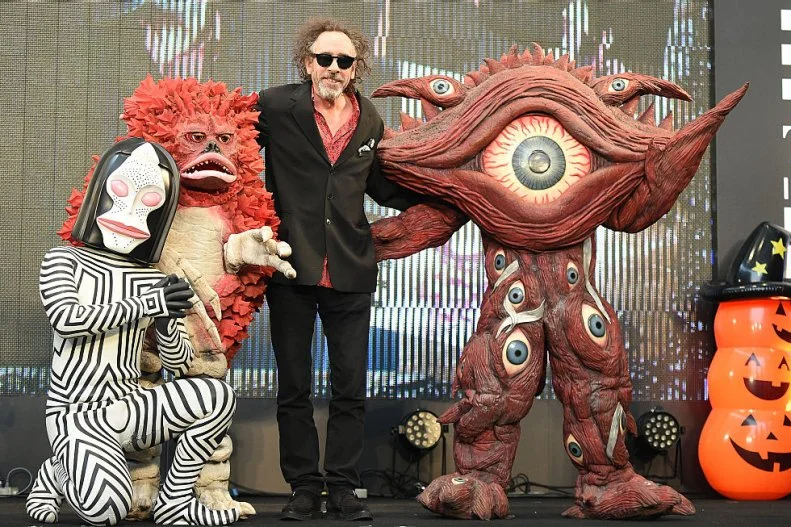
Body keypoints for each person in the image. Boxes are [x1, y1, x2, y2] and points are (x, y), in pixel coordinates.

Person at [253, 17, 423, 522]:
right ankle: (304, 488)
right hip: (292, 268)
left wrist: (437, 197)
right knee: (295, 386)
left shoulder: (369, 118)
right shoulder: (275, 106)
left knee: (349, 387)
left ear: (355, 68)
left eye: (343, 61)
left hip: (350, 269)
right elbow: (235, 149)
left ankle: (344, 488)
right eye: (324, 59)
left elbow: (375, 185)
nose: (333, 67)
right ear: (307, 63)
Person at [25, 138, 240, 526]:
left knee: (216, 396)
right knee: (107, 510)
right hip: (76, 414)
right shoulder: (63, 260)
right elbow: (68, 320)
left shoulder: (149, 277)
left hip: (128, 408)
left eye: (150, 199)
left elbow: (176, 363)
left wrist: (167, 320)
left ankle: (175, 502)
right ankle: (57, 472)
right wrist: (148, 305)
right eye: (122, 190)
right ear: (103, 190)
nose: (132, 208)